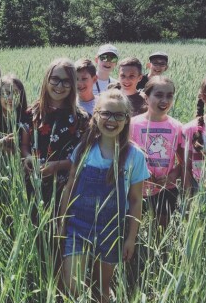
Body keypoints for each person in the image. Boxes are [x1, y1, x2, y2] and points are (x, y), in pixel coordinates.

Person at [59, 89, 149, 303]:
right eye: (106, 113)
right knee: (71, 286)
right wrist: (62, 222)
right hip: (78, 227)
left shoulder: (134, 156)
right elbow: (69, 186)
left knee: (101, 289)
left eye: (119, 115)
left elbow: (136, 200)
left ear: (127, 119)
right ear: (96, 115)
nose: (112, 120)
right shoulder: (84, 150)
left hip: (112, 231)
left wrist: (131, 238)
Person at [21, 58, 89, 293]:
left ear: (72, 86)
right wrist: (28, 156)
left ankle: (59, 287)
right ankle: (38, 282)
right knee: (35, 235)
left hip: (64, 188)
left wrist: (55, 166)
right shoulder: (32, 111)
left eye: (66, 82)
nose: (59, 86)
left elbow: (80, 159)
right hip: (32, 184)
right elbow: (24, 144)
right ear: (47, 79)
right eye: (55, 79)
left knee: (58, 236)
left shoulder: (79, 117)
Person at [130, 76, 183, 228]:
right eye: (159, 95)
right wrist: (140, 172)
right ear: (146, 98)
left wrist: (173, 175)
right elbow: (124, 154)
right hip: (136, 188)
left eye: (169, 95)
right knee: (135, 229)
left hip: (166, 189)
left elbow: (183, 160)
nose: (164, 100)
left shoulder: (177, 126)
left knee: (160, 231)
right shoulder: (133, 124)